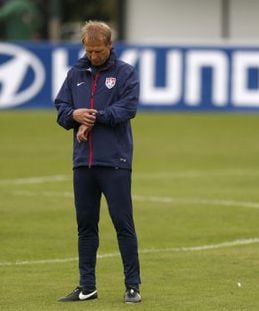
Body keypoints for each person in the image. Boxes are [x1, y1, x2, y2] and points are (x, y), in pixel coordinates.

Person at [54, 20, 141, 304]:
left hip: (115, 162)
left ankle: (132, 286)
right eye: (89, 51)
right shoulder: (75, 73)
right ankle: (86, 287)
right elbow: (61, 109)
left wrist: (92, 117)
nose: (93, 56)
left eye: (99, 51)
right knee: (86, 226)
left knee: (122, 223)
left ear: (109, 46)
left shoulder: (125, 73)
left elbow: (127, 109)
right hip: (83, 163)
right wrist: (74, 116)